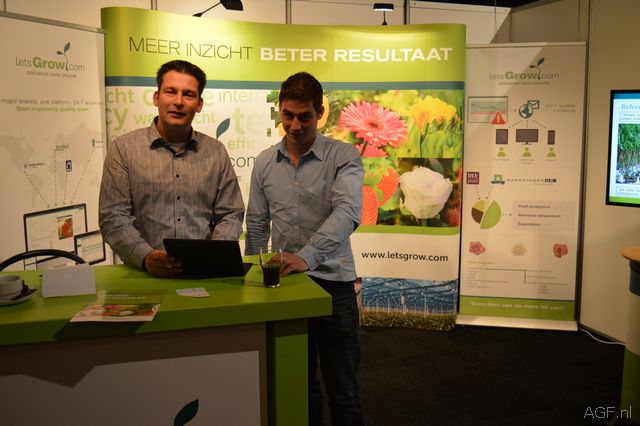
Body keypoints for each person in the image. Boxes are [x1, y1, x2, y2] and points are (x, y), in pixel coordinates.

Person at [245, 72, 364, 426]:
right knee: (299, 386)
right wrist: (251, 275)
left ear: (320, 112)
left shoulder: (343, 156)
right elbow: (256, 224)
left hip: (333, 286)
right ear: (280, 111)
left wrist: (306, 257)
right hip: (286, 286)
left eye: (304, 116)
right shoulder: (265, 162)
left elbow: (348, 213)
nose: (295, 125)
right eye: (288, 115)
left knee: (344, 391)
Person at [99, 60, 244, 277]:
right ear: (156, 98)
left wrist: (212, 255)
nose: (178, 102)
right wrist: (145, 257)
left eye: (188, 95)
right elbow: (112, 216)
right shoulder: (123, 149)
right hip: (144, 276)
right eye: (170, 92)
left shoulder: (216, 152)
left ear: (199, 104)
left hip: (205, 276)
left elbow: (231, 213)